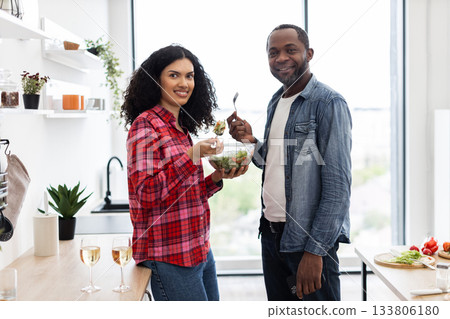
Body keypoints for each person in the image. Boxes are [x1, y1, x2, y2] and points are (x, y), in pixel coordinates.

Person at [227, 24, 352, 301]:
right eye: (273, 52)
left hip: (306, 240)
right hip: (271, 236)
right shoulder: (277, 101)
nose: (280, 58)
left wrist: (315, 250)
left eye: (290, 50)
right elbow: (274, 164)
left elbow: (338, 188)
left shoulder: (328, 103)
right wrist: (250, 141)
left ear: (308, 53)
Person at [121, 44, 248, 301]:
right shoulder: (145, 125)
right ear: (156, 80)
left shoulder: (180, 129)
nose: (184, 83)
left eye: (189, 76)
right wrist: (192, 155)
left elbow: (183, 193)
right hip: (168, 256)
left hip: (198, 249)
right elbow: (146, 194)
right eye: (174, 75)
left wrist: (216, 177)